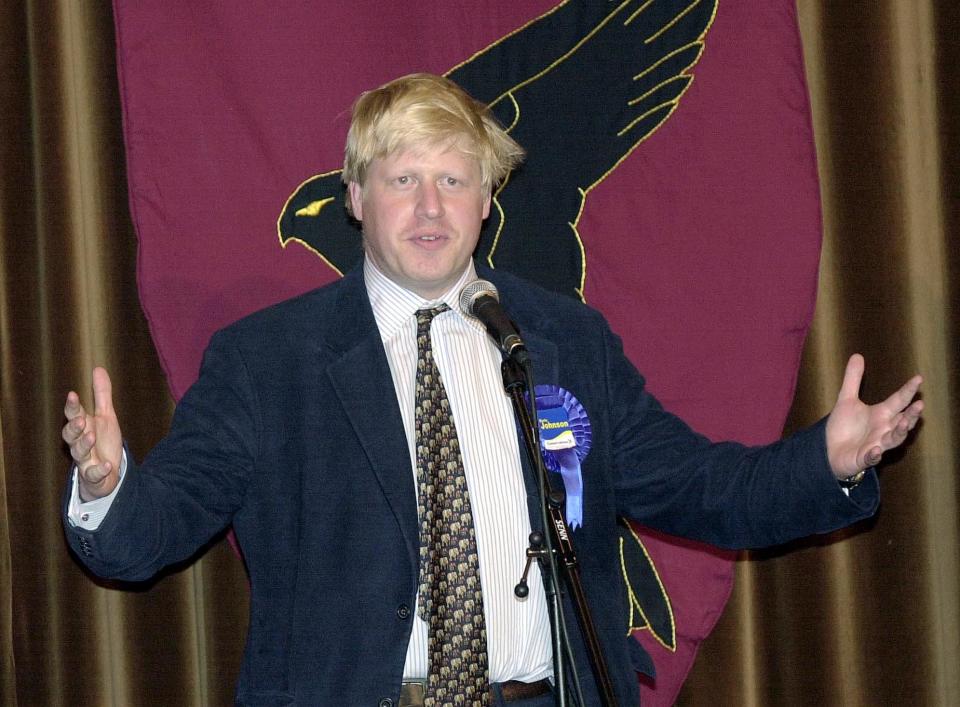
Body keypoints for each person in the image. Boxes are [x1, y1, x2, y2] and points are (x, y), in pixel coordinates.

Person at [61, 73, 923, 707]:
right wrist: (108, 489)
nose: (429, 206)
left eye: (454, 179)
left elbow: (700, 486)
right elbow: (156, 526)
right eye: (403, 179)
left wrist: (828, 460)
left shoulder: (560, 340)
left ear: (486, 200)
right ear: (357, 197)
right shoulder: (266, 360)